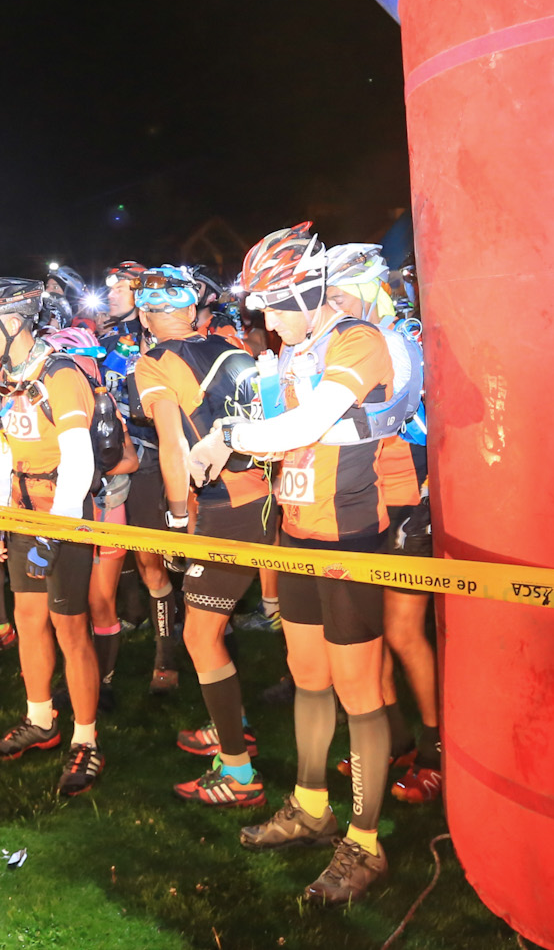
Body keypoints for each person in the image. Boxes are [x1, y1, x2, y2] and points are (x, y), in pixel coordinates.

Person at [187, 223, 399, 903]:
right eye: (261, 311)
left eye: (277, 308)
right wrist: (233, 440)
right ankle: (311, 806)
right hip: (298, 533)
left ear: (310, 293)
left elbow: (310, 425)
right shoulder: (290, 353)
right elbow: (281, 440)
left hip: (349, 538)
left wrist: (229, 435)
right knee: (308, 677)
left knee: (358, 690)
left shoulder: (357, 341)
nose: (268, 324)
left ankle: (365, 843)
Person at [130, 266, 275, 808]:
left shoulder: (154, 362)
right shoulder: (230, 347)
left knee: (200, 635)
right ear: (192, 310)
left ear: (146, 317)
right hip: (267, 497)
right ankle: (231, 724)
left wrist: (173, 521)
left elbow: (172, 446)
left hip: (224, 507)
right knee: (210, 628)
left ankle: (239, 772)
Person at [0, 278, 107, 796]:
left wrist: (58, 529)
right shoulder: (8, 376)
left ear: (13, 322)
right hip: (26, 513)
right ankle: (41, 719)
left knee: (70, 629)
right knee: (28, 621)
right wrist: (0, 516)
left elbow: (79, 460)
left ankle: (87, 740)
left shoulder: (60, 374)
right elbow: (5, 452)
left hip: (63, 514)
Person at [324, 244, 440, 803]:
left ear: (371, 290)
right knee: (371, 632)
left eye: (340, 295)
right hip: (364, 502)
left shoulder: (407, 339)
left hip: (409, 498)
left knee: (402, 632)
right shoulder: (340, 341)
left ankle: (436, 748)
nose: (332, 307)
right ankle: (394, 738)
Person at [97, 260, 183, 697]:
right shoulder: (103, 339)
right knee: (113, 559)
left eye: (119, 287)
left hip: (150, 460)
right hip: (110, 464)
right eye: (108, 287)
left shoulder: (162, 340)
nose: (110, 294)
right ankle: (112, 639)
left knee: (152, 563)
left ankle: (166, 657)